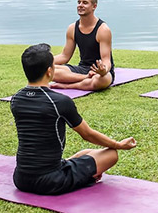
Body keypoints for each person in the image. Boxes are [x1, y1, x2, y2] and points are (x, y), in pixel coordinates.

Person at [10, 43, 136, 195]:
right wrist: (118, 144)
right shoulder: (59, 101)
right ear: (49, 71)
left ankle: (74, 169)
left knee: (86, 153)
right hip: (51, 181)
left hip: (21, 179)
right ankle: (85, 176)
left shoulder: (16, 99)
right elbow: (87, 134)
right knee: (111, 154)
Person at [51, 0, 114, 91]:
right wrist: (44, 62)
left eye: (85, 3)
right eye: (79, 2)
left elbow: (106, 60)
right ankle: (85, 79)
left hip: (100, 72)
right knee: (48, 70)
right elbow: (65, 56)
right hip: (82, 69)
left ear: (94, 6)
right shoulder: (72, 28)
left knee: (100, 80)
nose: (80, 5)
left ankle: (68, 85)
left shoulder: (103, 29)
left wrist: (103, 70)